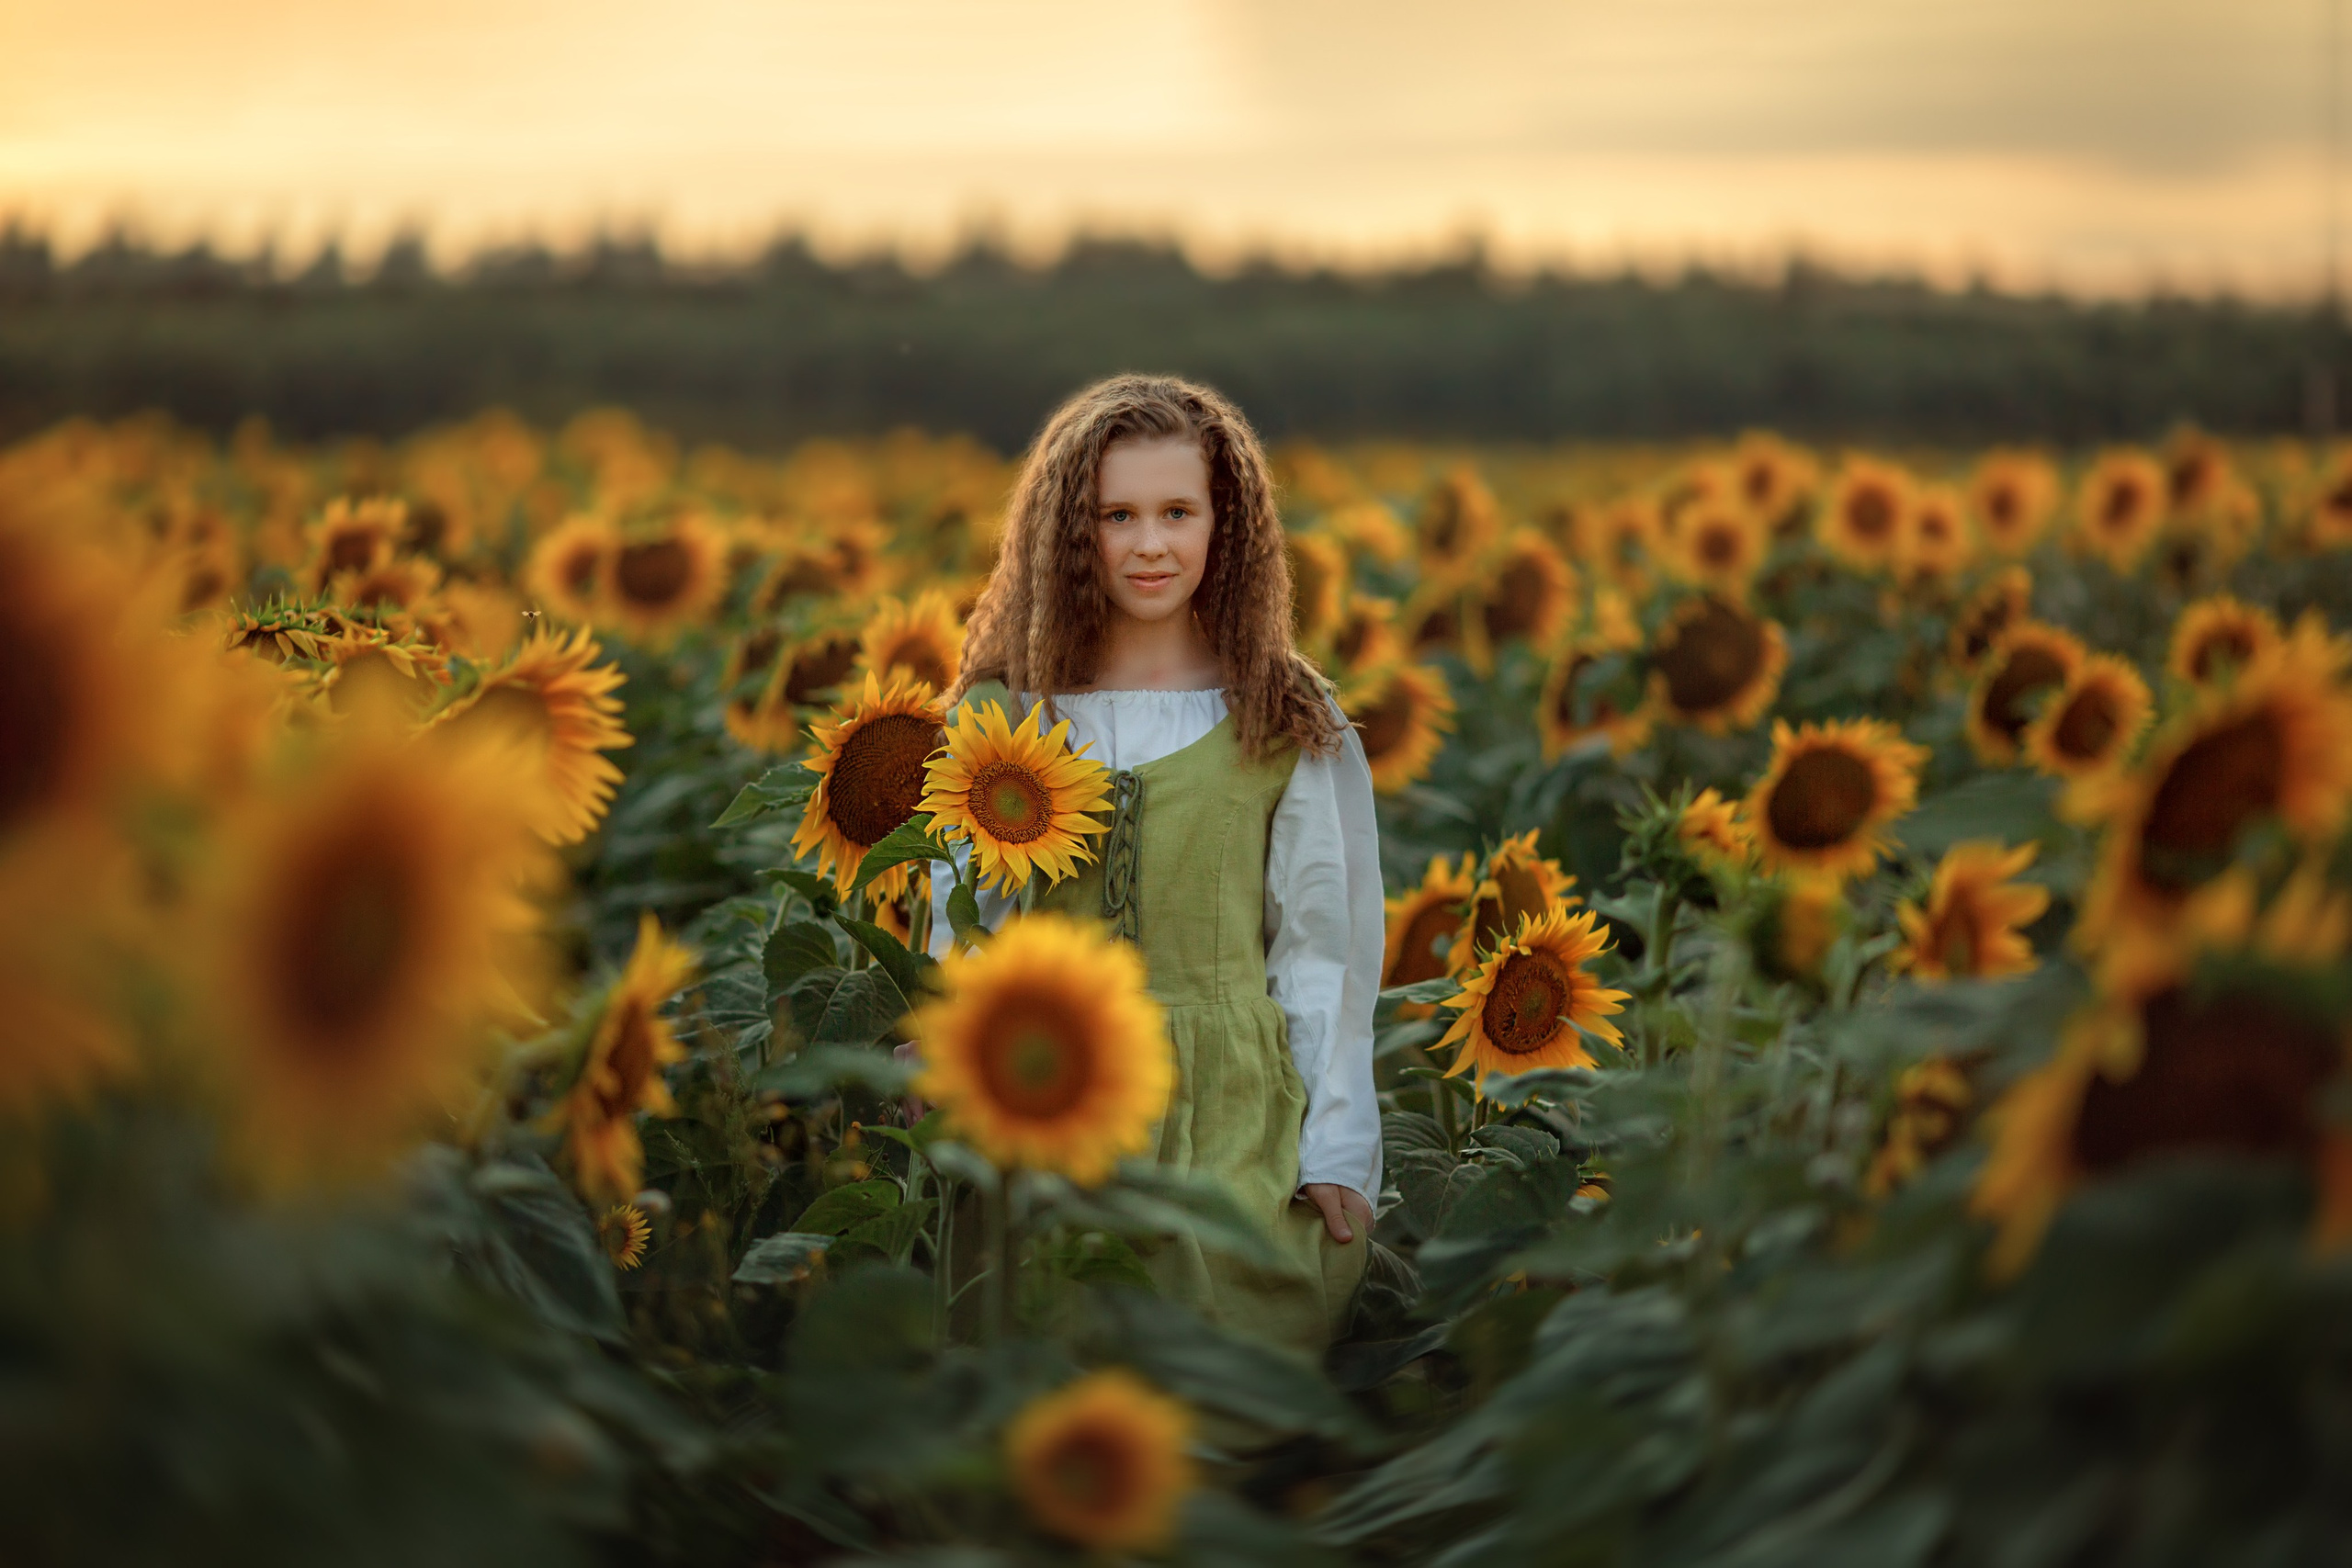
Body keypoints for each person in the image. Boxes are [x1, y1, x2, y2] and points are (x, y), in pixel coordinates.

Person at [929, 373, 1383, 1355]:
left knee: (1215, 1377)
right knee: (1044, 1370)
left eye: (1178, 511)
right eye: (1116, 515)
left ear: (1227, 524)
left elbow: (1321, 948)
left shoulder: (1282, 713)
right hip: (1044, 1096)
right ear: (1067, 532)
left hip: (1228, 1112)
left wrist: (1339, 1141)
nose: (1148, 544)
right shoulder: (1005, 713)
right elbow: (961, 928)